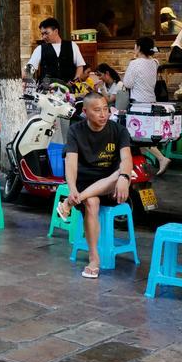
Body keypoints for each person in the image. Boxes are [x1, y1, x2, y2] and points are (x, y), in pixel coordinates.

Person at [57, 92, 133, 279]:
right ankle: (94, 259)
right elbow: (71, 163)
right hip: (86, 185)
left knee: (122, 173)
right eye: (97, 110)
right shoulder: (76, 131)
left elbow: (126, 158)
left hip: (114, 184)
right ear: (85, 112)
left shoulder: (119, 130)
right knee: (91, 202)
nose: (103, 114)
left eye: (106, 109)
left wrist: (124, 177)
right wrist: (73, 188)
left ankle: (69, 203)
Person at [121, 37, 171, 175]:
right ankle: (145, 164)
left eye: (135, 46)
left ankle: (161, 158)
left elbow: (127, 83)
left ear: (138, 47)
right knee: (143, 135)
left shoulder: (135, 64)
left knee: (137, 135)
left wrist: (133, 60)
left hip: (138, 104)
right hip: (151, 101)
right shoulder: (154, 62)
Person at [27, 18, 86, 90]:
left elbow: (80, 66)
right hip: (47, 90)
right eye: (42, 34)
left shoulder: (72, 45)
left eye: (46, 33)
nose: (44, 37)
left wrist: (74, 81)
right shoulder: (40, 48)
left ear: (56, 31)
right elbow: (30, 68)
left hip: (68, 89)